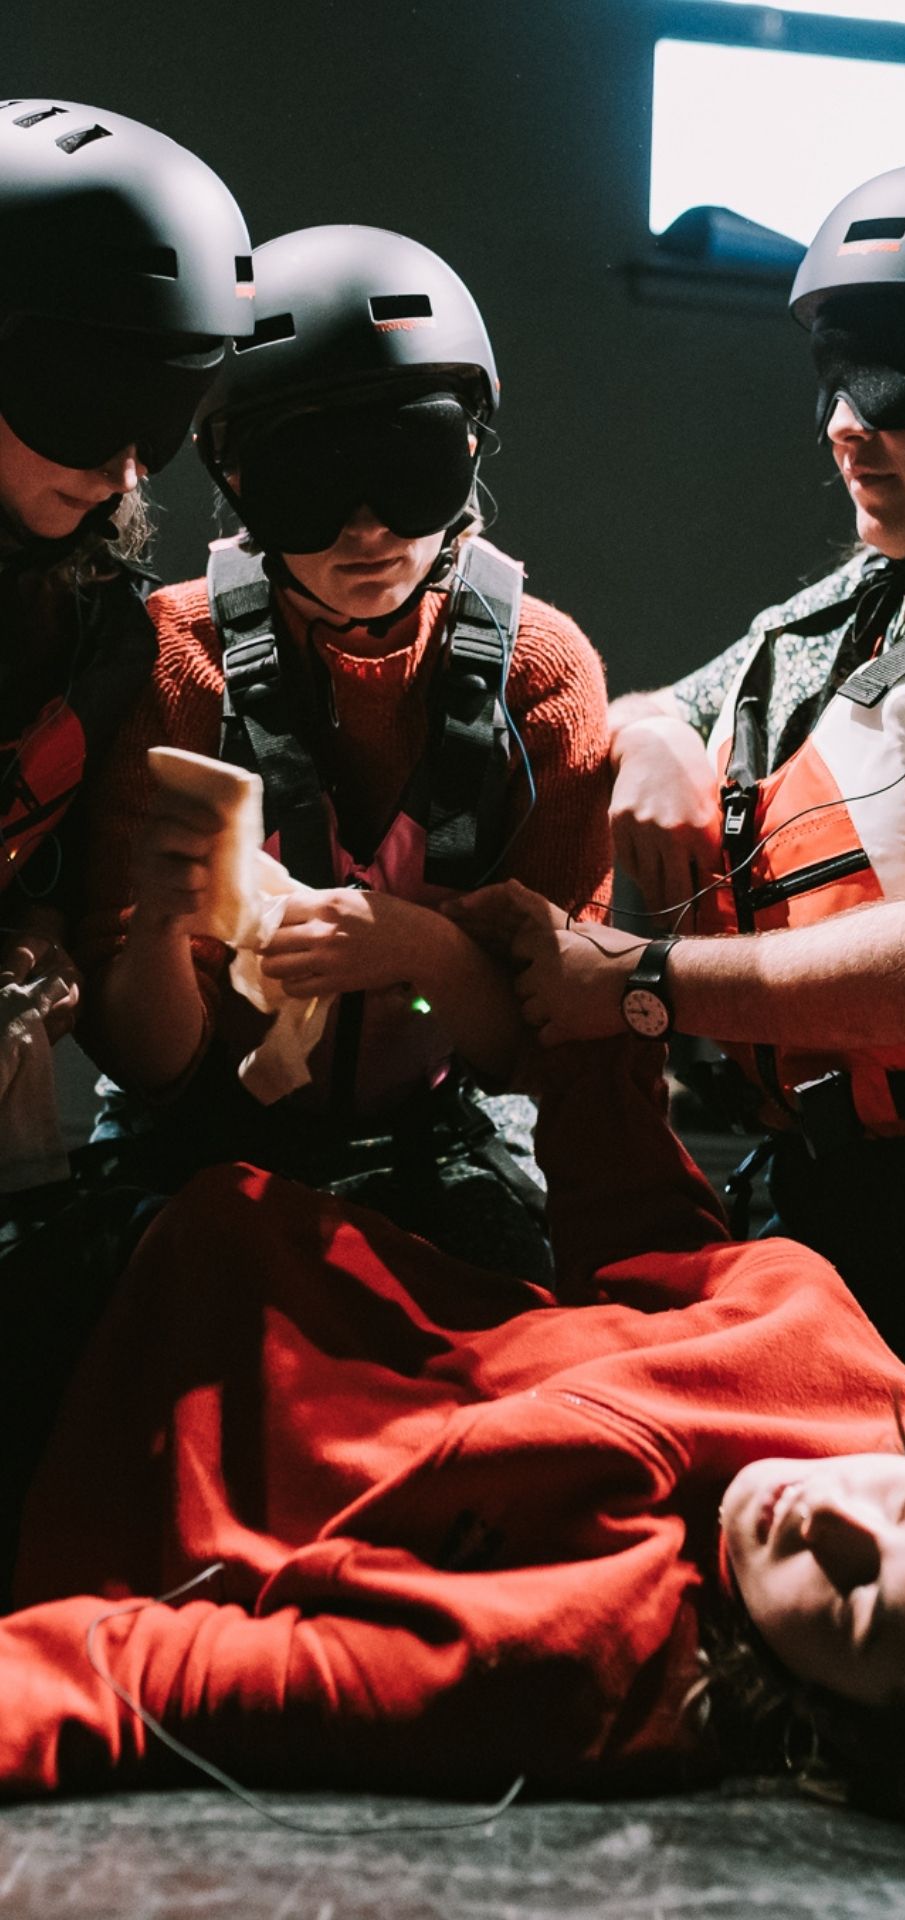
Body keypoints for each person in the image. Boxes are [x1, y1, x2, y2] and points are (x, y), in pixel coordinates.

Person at [0, 1031, 905, 1849]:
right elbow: (650, 1251)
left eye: (855, 1603)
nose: (828, 1518)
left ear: (838, 1731)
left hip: (79, 1438)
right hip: (231, 1244)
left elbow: (168, 1684)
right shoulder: (865, 1395)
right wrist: (591, 1031)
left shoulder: (577, 1672)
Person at [464, 158, 905, 1399]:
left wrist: (638, 984)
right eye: (835, 380)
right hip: (810, 1216)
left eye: (894, 385)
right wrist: (655, 738)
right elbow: (652, 708)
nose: (846, 424)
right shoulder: (852, 608)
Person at [76, 223, 612, 1280]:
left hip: (437, 1132)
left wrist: (419, 952)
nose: (366, 530)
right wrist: (159, 927)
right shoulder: (172, 663)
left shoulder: (539, 675)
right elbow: (150, 1064)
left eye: (410, 466)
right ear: (238, 477)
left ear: (469, 449)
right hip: (191, 1137)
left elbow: (549, 1041)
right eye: (309, 480)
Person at [0, 93, 253, 1177]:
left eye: (164, 416)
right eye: (90, 398)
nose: (127, 467)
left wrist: (34, 945)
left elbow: (41, 885)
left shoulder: (100, 633)